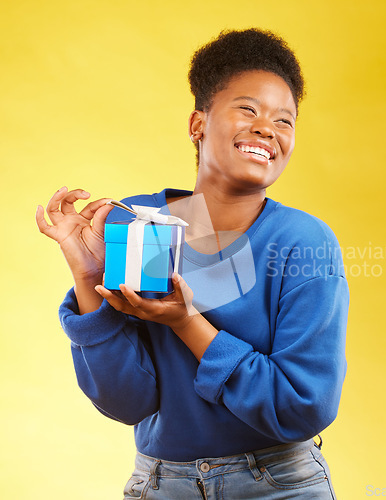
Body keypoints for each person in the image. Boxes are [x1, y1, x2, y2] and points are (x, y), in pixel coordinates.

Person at [36, 28, 349, 499]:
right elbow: (127, 402)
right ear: (198, 124)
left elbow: (302, 407)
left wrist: (187, 322)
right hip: (162, 485)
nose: (267, 127)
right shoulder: (143, 225)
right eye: (248, 108)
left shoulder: (302, 241)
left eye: (284, 120)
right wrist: (87, 277)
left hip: (278, 485)